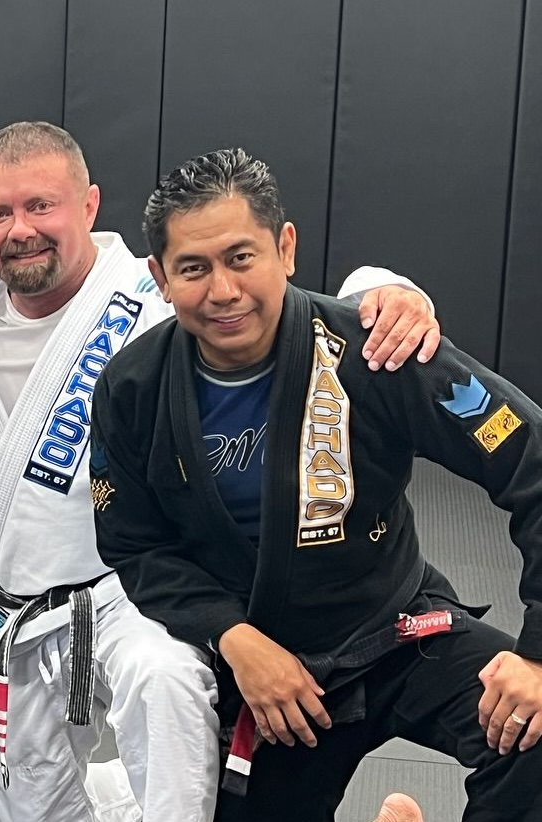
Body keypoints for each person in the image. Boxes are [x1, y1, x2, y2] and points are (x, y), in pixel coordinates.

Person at [0, 122, 438, 822]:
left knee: (168, 689)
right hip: (22, 611)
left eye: (41, 206)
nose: (21, 229)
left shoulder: (154, 294)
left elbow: (315, 298)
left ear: (89, 206)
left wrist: (391, 290)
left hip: (132, 591)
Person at [91, 147, 542, 821]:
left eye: (242, 257)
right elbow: (134, 547)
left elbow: (532, 460)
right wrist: (234, 640)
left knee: (536, 735)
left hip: (400, 634)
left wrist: (537, 658)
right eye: (193, 268)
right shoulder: (133, 389)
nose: (222, 291)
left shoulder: (378, 350)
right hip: (276, 684)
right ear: (160, 276)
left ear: (286, 248)